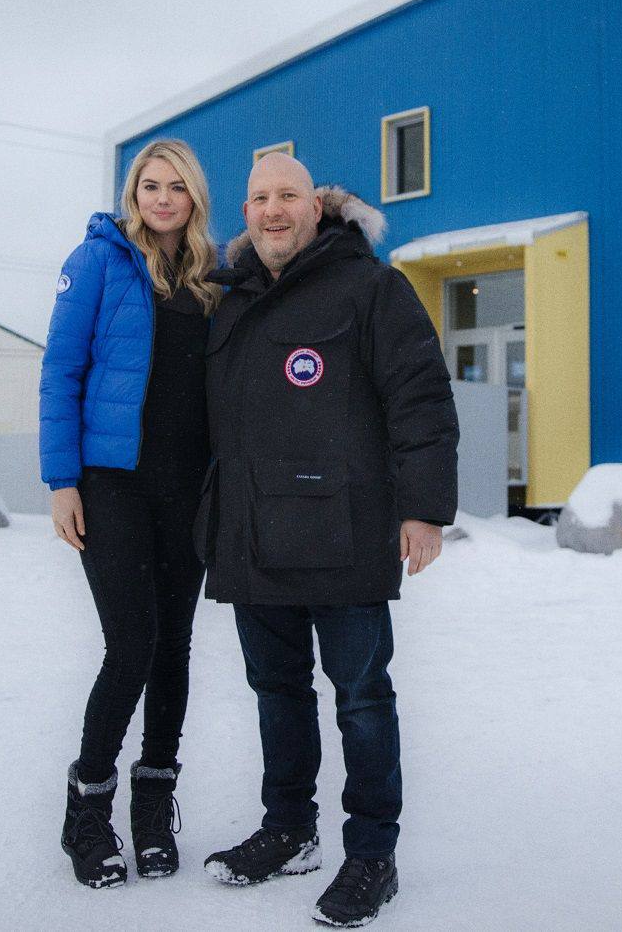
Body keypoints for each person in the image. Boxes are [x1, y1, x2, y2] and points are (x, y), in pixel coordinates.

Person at [196, 153, 459, 927]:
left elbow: (420, 398)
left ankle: (372, 853)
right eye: (259, 198)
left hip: (345, 531)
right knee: (277, 693)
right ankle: (290, 830)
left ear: (318, 207)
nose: (272, 210)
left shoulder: (372, 288)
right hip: (254, 535)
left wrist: (424, 509)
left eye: (288, 196)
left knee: (362, 698)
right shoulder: (231, 302)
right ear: (246, 213)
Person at [39, 138, 219, 888]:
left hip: (188, 487)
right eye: (150, 185)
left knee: (173, 646)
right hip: (112, 483)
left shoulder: (213, 276)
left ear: (194, 196)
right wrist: (62, 480)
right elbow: (61, 369)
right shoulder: (98, 262)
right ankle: (87, 809)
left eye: (176, 186)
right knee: (132, 643)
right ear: (133, 194)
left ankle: (151, 807)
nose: (163, 198)